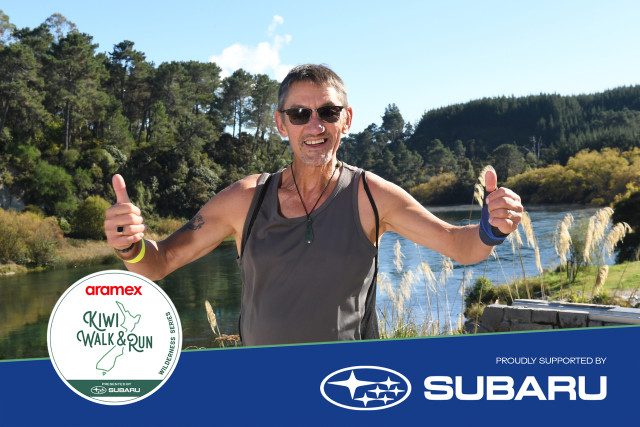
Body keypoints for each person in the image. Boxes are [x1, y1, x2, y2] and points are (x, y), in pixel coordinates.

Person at [104, 64, 523, 346]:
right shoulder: (246, 199)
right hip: (262, 393)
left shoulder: (371, 196)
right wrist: (130, 244)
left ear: (347, 119)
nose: (315, 125)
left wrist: (492, 228)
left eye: (328, 112)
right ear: (280, 123)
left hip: (346, 391)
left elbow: (460, 245)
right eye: (300, 113)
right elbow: (159, 263)